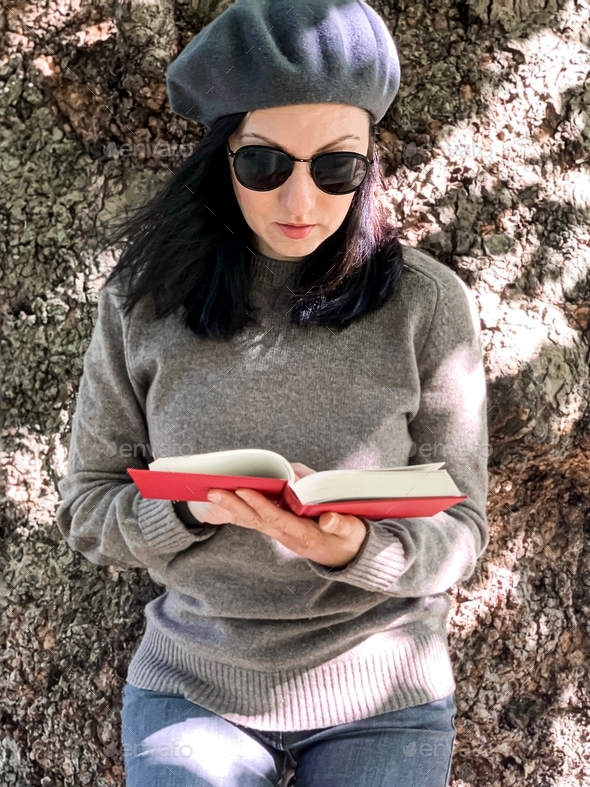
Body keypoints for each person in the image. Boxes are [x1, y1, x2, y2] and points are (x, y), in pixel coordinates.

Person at [55, 1, 490, 785]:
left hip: (382, 686)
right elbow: (89, 509)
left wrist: (355, 551)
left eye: (335, 168)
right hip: (197, 685)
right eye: (264, 164)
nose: (301, 203)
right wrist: (189, 507)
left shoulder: (427, 305)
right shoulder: (141, 303)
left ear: (369, 163)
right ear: (221, 158)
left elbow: (463, 526)